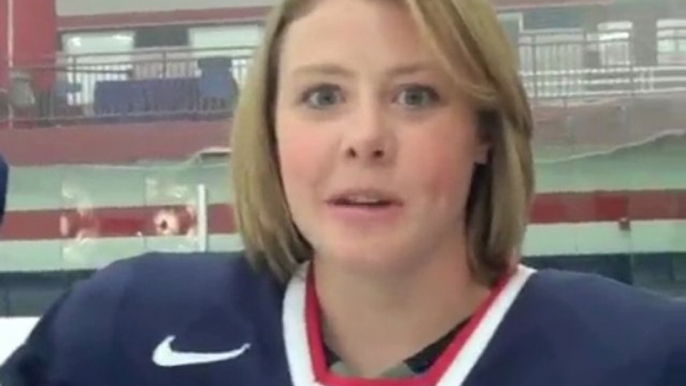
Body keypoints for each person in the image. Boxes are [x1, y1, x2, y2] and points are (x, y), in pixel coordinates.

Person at [1, 0, 684, 385]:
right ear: (270, 128)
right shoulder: (123, 328)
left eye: (416, 96)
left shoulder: (646, 357)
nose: (365, 138)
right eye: (322, 96)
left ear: (484, 129)